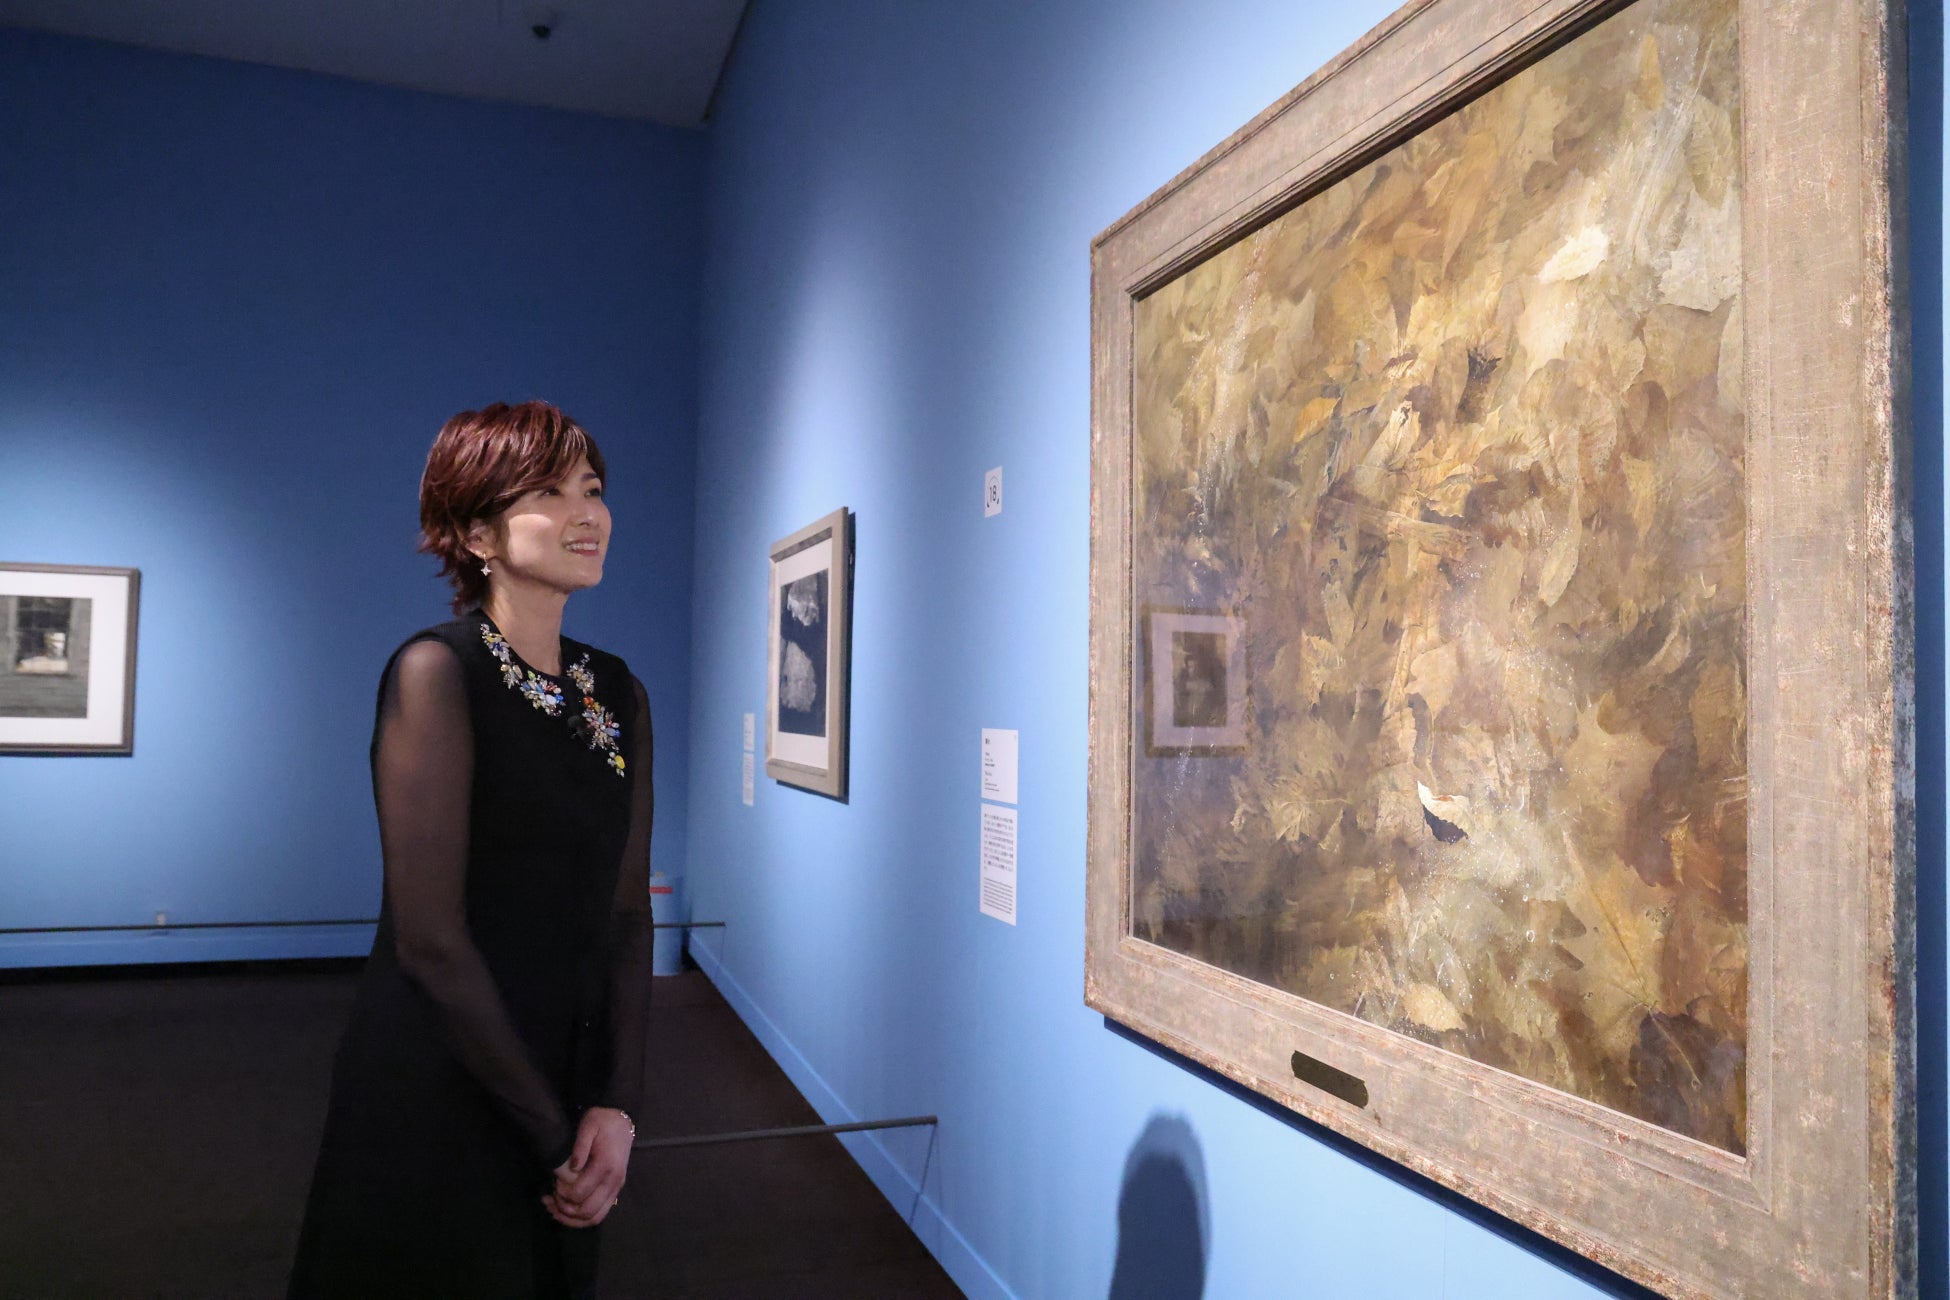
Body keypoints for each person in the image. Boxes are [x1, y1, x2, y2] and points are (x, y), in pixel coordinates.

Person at [288, 401, 654, 1299]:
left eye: (593, 489)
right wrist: (552, 1138)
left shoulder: (616, 690)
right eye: (549, 494)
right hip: (445, 1071)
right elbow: (430, 941)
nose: (587, 514)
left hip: (568, 1067)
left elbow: (626, 910)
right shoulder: (437, 671)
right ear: (477, 532)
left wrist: (617, 1106)